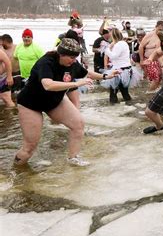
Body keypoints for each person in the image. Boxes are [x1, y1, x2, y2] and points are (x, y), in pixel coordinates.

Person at [14, 38, 118, 167]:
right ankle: (16, 170)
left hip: (54, 101)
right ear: (61, 54)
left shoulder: (72, 63)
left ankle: (73, 158)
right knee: (30, 147)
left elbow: (86, 73)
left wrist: (106, 76)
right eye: (71, 57)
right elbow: (48, 85)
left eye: (76, 57)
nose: (74, 61)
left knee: (78, 125)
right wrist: (76, 83)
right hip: (31, 104)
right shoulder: (46, 62)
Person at [102, 28, 138, 103]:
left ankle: (114, 111)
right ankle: (129, 107)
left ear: (113, 36)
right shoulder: (124, 43)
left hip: (120, 71)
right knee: (124, 92)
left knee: (113, 93)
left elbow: (113, 56)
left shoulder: (119, 44)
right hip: (127, 70)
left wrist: (107, 49)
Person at [139, 20, 163, 92]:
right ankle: (149, 93)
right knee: (156, 78)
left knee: (160, 78)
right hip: (149, 60)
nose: (160, 31)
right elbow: (141, 46)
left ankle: (155, 92)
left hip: (160, 61)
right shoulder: (150, 35)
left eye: (162, 30)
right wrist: (141, 60)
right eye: (159, 29)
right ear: (155, 27)